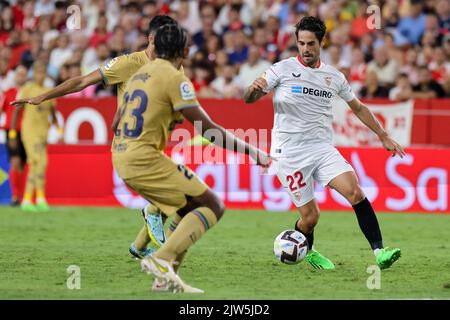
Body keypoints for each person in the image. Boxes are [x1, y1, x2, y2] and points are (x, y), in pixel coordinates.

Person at [113, 24, 270, 292]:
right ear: (184, 50)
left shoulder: (139, 74)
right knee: (212, 205)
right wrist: (252, 151)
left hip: (121, 155)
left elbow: (117, 120)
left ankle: (165, 280)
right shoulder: (175, 78)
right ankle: (161, 259)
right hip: (144, 157)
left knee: (188, 209)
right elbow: (208, 131)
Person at [11, 15, 181, 262]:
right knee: (176, 196)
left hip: (155, 145)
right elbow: (81, 81)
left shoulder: (174, 65)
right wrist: (43, 97)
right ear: (152, 38)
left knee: (172, 198)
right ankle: (156, 230)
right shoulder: (128, 63)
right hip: (130, 148)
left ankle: (139, 246)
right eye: (165, 39)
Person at [244, 16, 404, 270]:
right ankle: (308, 250)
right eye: (301, 43)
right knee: (310, 218)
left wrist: (383, 135)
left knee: (355, 192)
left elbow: (359, 108)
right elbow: (249, 99)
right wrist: (253, 89)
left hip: (321, 148)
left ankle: (379, 253)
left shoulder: (334, 77)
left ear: (322, 42)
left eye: (311, 44)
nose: (305, 49)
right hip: (289, 153)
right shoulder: (281, 69)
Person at [10, 61, 61, 212]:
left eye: (43, 72)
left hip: (42, 133)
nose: (40, 75)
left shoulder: (48, 91)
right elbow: (16, 111)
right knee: (35, 161)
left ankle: (39, 197)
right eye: (38, 72)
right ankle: (27, 198)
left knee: (43, 164)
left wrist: (59, 130)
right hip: (29, 132)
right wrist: (13, 133)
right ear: (34, 74)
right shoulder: (27, 89)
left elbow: (53, 113)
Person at [0, 65, 28, 206]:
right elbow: (2, 111)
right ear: (15, 76)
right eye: (19, 74)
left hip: (26, 131)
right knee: (15, 162)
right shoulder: (9, 92)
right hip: (12, 131)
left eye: (24, 74)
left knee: (23, 164)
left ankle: (23, 196)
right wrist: (10, 133)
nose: (21, 77)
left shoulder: (29, 93)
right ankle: (15, 196)